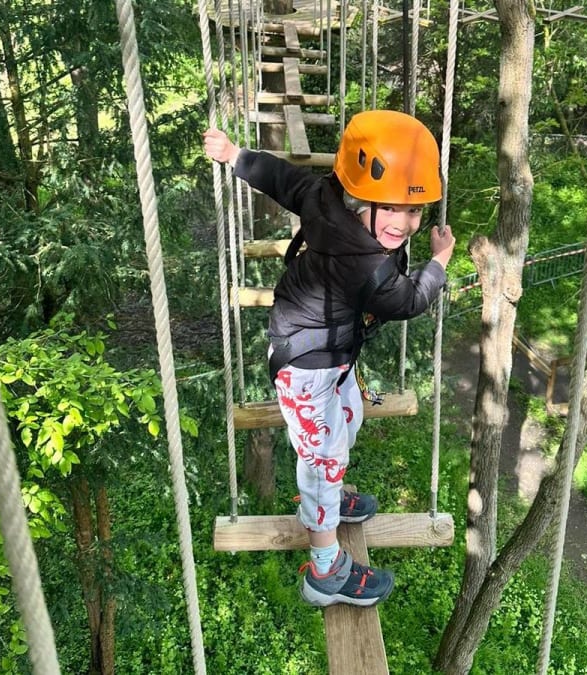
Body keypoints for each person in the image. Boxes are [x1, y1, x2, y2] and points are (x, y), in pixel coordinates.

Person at [203, 110, 455, 607]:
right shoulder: (365, 263)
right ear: (359, 199)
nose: (404, 225)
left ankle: (328, 497)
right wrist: (440, 260)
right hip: (307, 365)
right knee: (322, 463)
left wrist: (237, 156)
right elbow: (407, 301)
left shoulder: (326, 198)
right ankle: (326, 571)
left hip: (329, 353)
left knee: (349, 420)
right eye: (392, 210)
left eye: (415, 212)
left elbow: (284, 180)